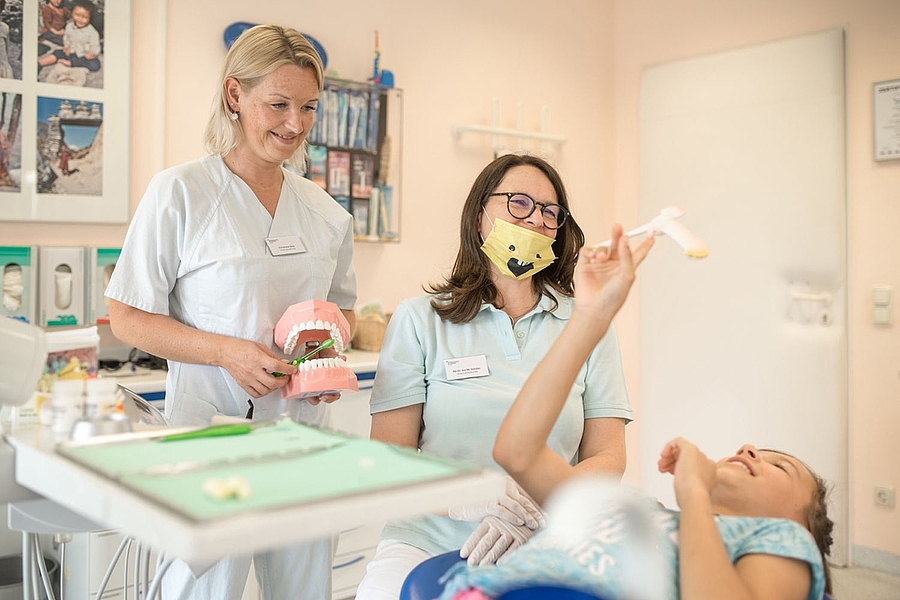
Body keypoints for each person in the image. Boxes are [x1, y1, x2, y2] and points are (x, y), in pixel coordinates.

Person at [437, 226, 834, 600]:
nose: (750, 449)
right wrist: (591, 317)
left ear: (800, 527)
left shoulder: (784, 542)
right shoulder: (636, 512)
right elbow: (517, 452)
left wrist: (693, 494)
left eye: (782, 466)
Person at [105, 25, 357, 600]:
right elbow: (127, 316)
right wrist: (224, 351)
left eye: (308, 108)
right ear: (233, 96)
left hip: (303, 439)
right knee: (204, 592)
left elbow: (339, 310)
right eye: (278, 104)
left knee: (304, 590)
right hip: (211, 434)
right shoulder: (181, 193)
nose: (295, 124)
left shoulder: (325, 213)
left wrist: (325, 360)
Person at [356, 153, 635, 599]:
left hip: (546, 540)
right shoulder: (418, 320)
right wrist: (472, 497)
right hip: (424, 541)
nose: (537, 221)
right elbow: (389, 460)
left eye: (550, 213)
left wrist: (539, 504)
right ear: (480, 213)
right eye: (519, 203)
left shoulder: (588, 322)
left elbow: (608, 458)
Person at [38, 0, 100, 72]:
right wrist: (66, 46)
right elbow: (66, 37)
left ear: (90, 18)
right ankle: (39, 63)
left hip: (83, 56)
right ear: (72, 13)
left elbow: (95, 46)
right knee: (57, 52)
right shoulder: (69, 26)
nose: (80, 19)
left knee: (95, 65)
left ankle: (72, 63)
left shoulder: (92, 32)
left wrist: (92, 53)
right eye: (77, 15)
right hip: (71, 52)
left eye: (85, 17)